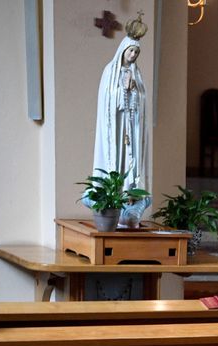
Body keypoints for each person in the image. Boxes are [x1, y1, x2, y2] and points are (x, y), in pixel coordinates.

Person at [87, 22, 149, 224]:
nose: (132, 56)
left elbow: (142, 101)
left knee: (130, 166)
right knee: (117, 163)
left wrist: (133, 91)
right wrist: (122, 90)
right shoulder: (110, 72)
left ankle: (131, 200)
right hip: (116, 130)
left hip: (131, 129)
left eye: (136, 53)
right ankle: (114, 201)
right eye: (131, 51)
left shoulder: (136, 74)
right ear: (123, 50)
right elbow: (107, 102)